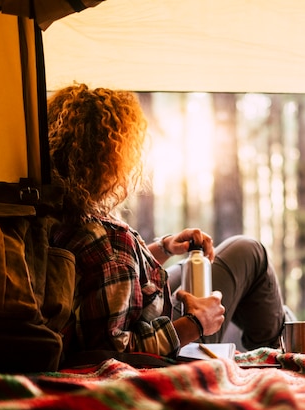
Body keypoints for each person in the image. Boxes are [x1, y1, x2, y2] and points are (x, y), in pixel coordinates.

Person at [48, 83, 287, 358]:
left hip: (144, 307)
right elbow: (111, 350)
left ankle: (282, 323)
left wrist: (164, 247)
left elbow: (105, 275)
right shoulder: (111, 243)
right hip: (169, 343)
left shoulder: (59, 213)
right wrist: (195, 324)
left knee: (209, 264)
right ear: (113, 160)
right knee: (249, 251)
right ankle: (277, 345)